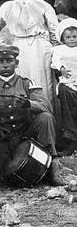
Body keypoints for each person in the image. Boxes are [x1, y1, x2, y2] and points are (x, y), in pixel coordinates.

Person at [0, 44, 62, 186]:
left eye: (9, 61)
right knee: (2, 177)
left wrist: (29, 104)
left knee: (45, 117)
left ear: (16, 63)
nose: (5, 65)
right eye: (1, 61)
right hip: (1, 137)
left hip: (25, 133)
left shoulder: (27, 83)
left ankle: (52, 164)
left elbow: (46, 106)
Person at [0, 0, 59, 107]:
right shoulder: (7, 6)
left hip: (40, 45)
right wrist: (5, 46)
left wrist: (55, 50)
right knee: (22, 81)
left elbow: (54, 29)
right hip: (19, 46)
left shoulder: (42, 4)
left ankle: (47, 118)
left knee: (44, 83)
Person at [51, 19, 77, 153]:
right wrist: (61, 68)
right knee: (66, 92)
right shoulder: (60, 50)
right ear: (62, 38)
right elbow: (55, 61)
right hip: (68, 81)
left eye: (74, 37)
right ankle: (71, 138)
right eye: (68, 37)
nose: (72, 40)